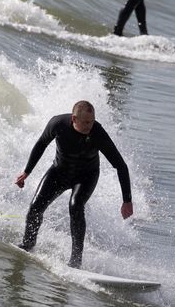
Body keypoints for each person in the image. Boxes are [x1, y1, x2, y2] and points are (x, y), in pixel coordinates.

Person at [14, 101, 133, 268]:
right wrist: (27, 172)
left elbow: (120, 165)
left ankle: (75, 260)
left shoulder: (98, 133)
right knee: (35, 207)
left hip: (86, 176)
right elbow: (41, 144)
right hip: (59, 172)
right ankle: (28, 244)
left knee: (76, 206)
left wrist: (127, 200)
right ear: (74, 119)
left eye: (92, 121)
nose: (90, 126)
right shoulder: (58, 124)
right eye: (86, 122)